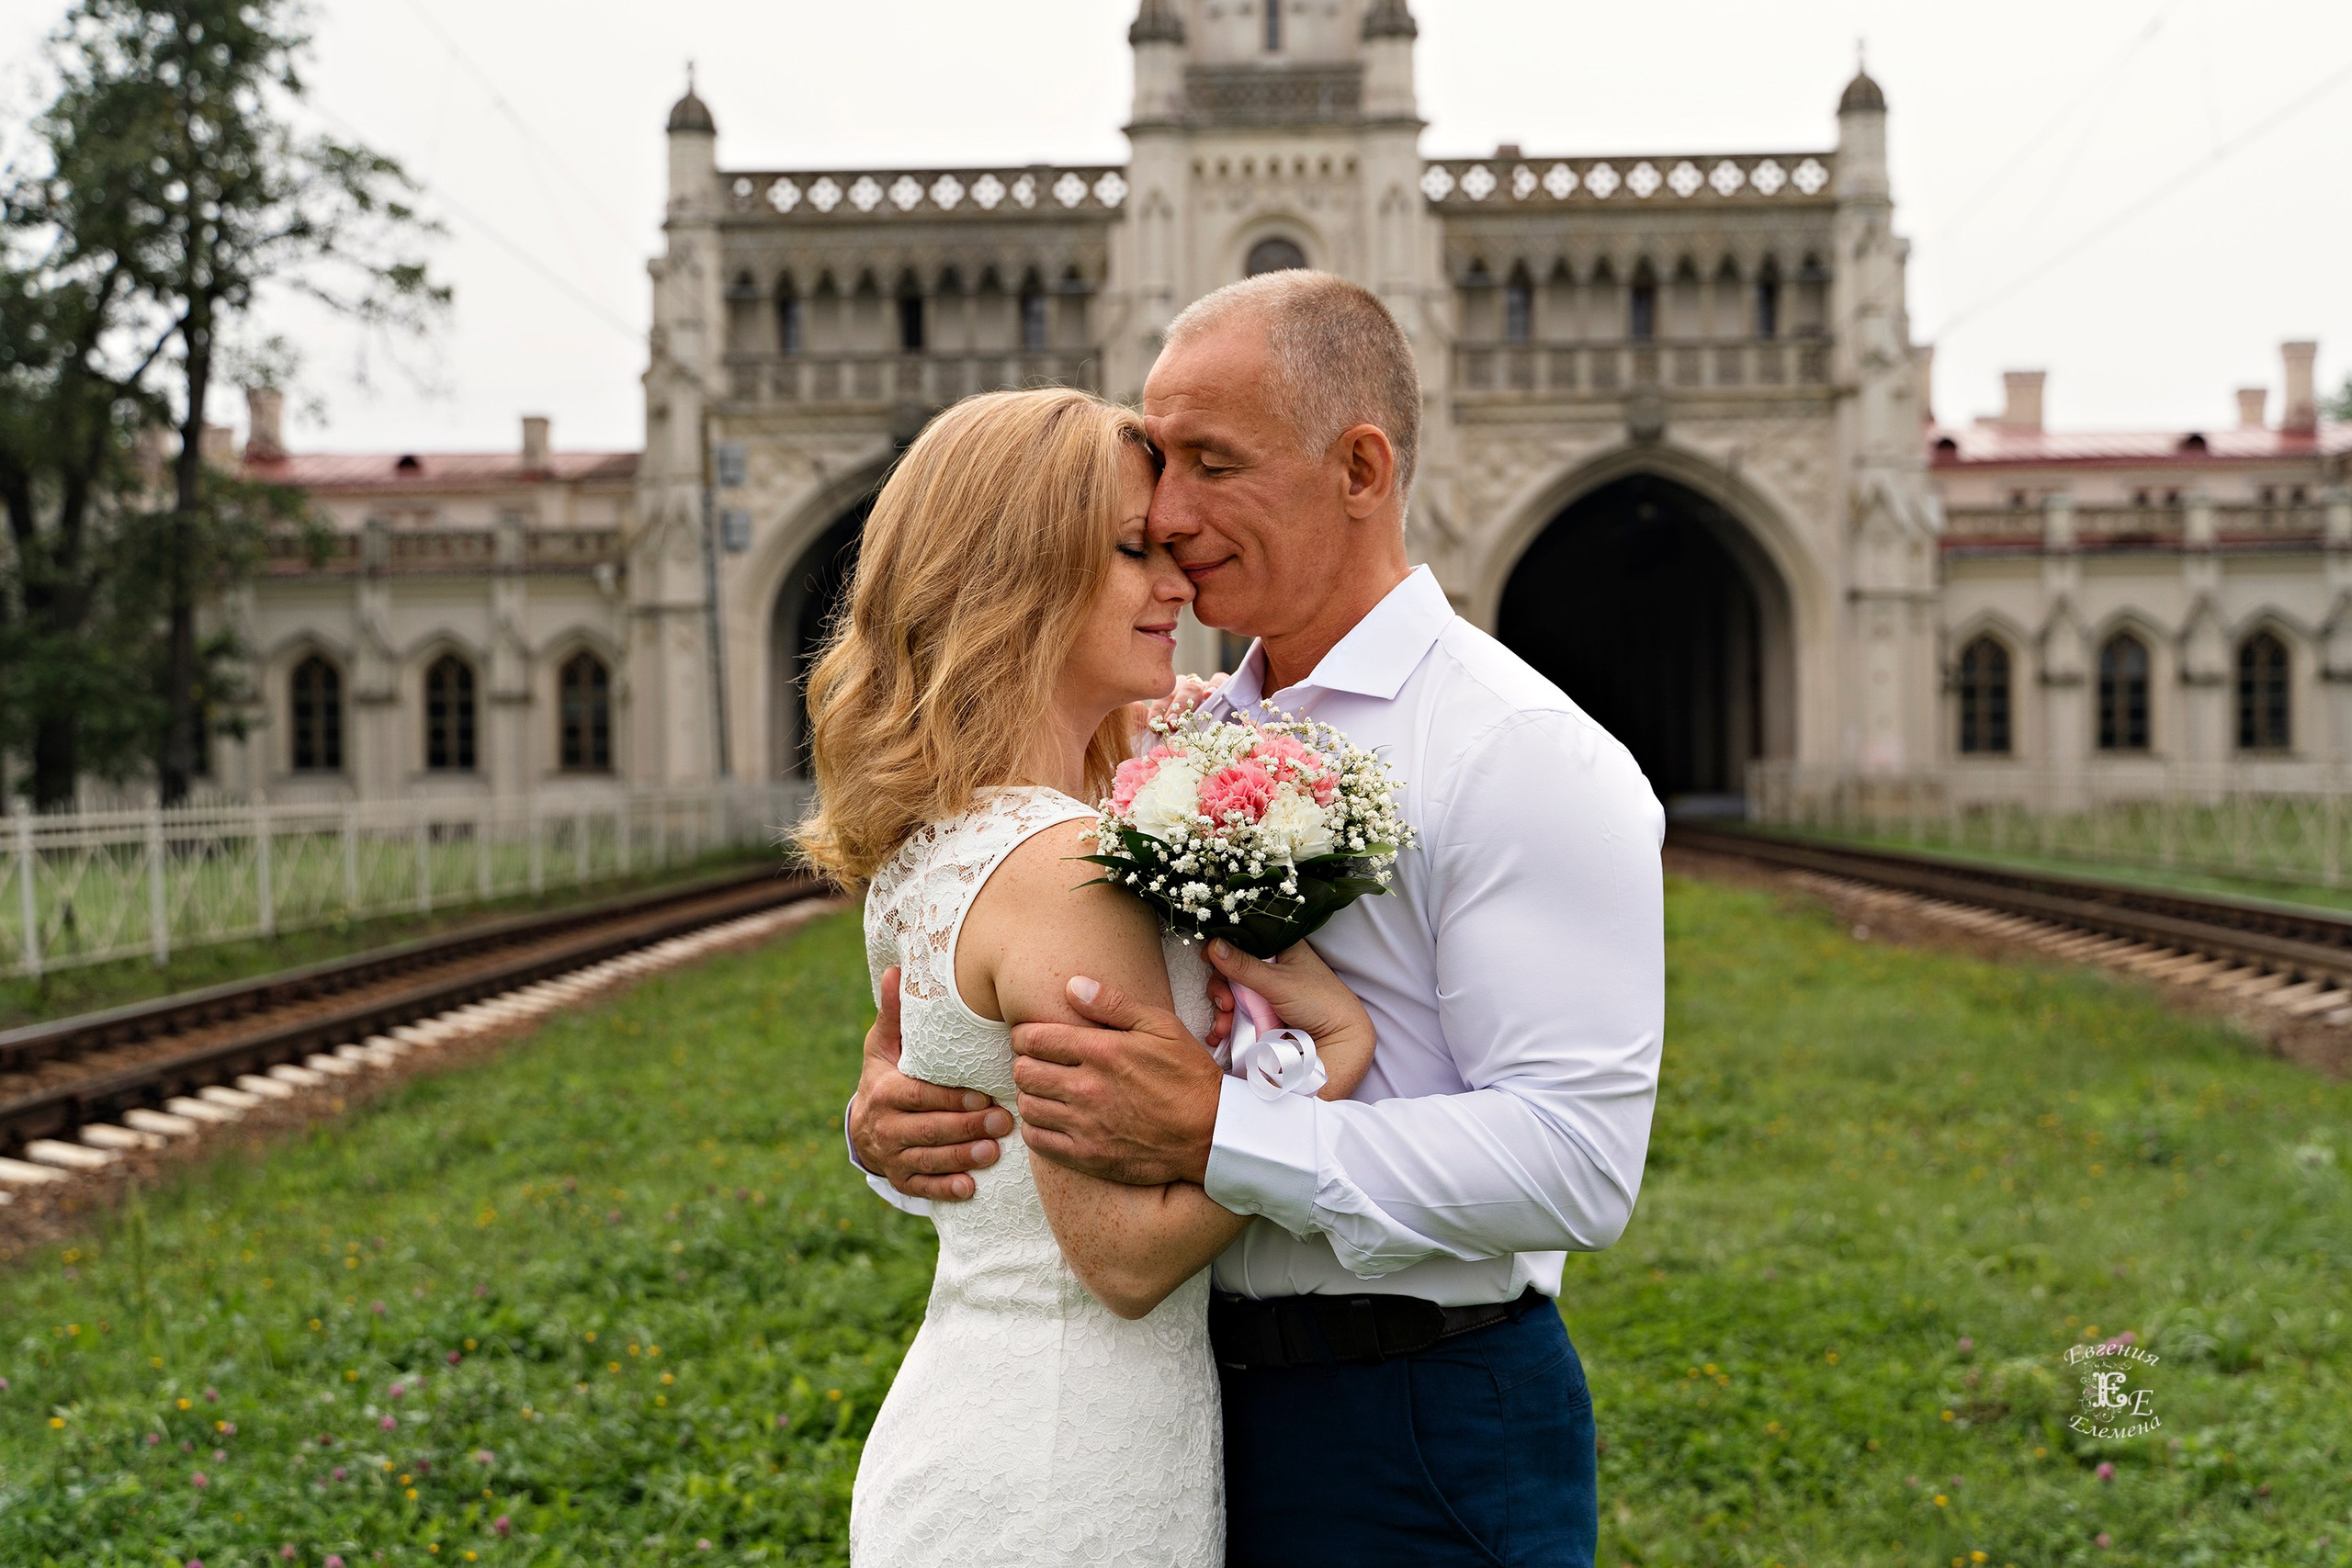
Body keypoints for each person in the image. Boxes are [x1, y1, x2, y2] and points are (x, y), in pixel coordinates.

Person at [850, 272, 1666, 1568]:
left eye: (1214, 465)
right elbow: (1026, 1013)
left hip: (1410, 1408)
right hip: (1184, 1395)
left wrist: (1235, 1130)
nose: (1171, 516)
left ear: (1359, 466)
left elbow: (1577, 1160)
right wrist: (914, 1110)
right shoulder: (1162, 733)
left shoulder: (1518, 752)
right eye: (1158, 468)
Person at [800, 386, 1383, 1568]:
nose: (1176, 584)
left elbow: (977, 1129)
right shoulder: (1063, 861)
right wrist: (1330, 1069)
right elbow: (1121, 1259)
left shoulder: (945, 836)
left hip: (994, 1409)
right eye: (1131, 552)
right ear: (1015, 577)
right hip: (1067, 1462)